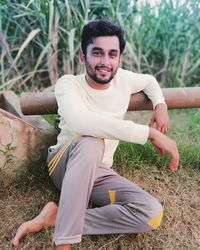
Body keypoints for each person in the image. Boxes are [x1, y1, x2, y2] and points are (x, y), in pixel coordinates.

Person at [12, 19, 179, 250]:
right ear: (83, 56)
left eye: (113, 54)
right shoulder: (69, 84)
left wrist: (160, 104)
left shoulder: (124, 80)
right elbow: (81, 122)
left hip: (100, 172)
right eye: (97, 53)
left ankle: (56, 216)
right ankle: (64, 242)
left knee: (151, 213)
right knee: (91, 141)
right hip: (65, 163)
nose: (105, 62)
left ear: (119, 58)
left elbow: (150, 81)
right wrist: (148, 133)